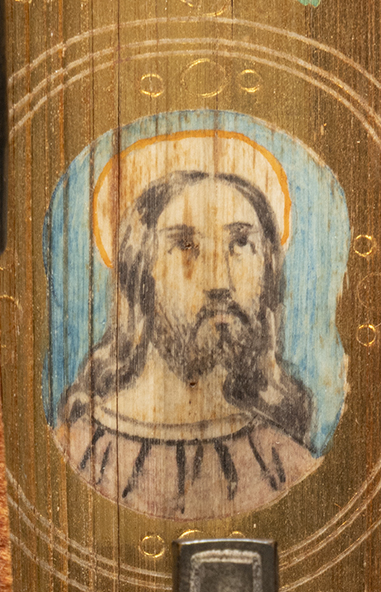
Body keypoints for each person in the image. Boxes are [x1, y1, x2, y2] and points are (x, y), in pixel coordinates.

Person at [55, 162, 319, 518]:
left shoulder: (288, 464)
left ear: (268, 268)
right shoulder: (78, 454)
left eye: (240, 243)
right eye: (184, 245)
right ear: (140, 274)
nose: (219, 283)